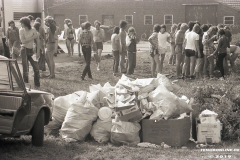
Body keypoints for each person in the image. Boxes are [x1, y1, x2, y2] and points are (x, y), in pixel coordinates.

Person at [19, 16, 40, 87]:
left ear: (25, 23)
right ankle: (26, 85)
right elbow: (23, 41)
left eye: (21, 23)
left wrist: (38, 51)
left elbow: (38, 40)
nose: (21, 25)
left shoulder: (33, 29)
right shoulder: (21, 30)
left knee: (36, 68)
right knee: (25, 69)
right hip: (24, 50)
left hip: (32, 50)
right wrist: (33, 37)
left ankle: (37, 85)